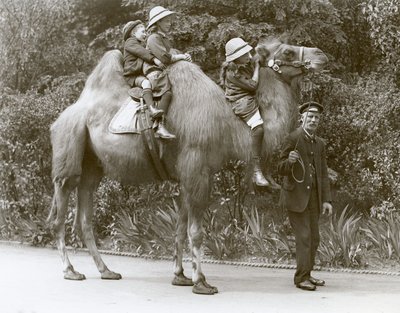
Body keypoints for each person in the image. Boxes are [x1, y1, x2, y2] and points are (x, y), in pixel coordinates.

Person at [277, 101, 333, 291]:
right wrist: (289, 162)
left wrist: (326, 200)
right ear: (302, 118)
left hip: (314, 200)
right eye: (310, 117)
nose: (313, 120)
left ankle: (307, 274)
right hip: (296, 198)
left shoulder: (320, 143)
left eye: (316, 117)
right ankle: (301, 278)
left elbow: (323, 173)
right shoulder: (292, 138)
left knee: (314, 238)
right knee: (304, 237)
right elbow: (279, 167)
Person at [220, 37, 270, 187]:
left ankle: (266, 169)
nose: (249, 57)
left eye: (248, 53)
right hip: (241, 101)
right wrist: (256, 67)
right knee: (259, 129)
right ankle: (256, 170)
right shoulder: (232, 72)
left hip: (249, 97)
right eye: (244, 54)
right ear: (236, 58)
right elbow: (253, 85)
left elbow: (261, 62)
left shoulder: (242, 64)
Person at [143, 6, 192, 139]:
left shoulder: (164, 38)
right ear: (158, 23)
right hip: (153, 70)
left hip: (163, 69)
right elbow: (164, 57)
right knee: (167, 93)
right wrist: (180, 57)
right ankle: (159, 125)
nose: (169, 24)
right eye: (166, 21)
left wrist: (184, 56)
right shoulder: (153, 38)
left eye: (170, 21)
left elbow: (170, 54)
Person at [122, 20, 175, 139]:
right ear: (133, 33)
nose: (145, 34)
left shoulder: (140, 43)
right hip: (132, 75)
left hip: (139, 73)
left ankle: (158, 123)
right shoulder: (130, 42)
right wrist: (154, 60)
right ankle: (152, 109)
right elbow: (142, 53)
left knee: (155, 84)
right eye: (142, 31)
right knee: (146, 83)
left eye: (146, 31)